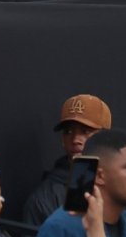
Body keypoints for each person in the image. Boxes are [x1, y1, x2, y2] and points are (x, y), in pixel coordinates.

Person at [22, 95, 113, 230]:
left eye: (85, 131)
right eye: (68, 131)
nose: (76, 139)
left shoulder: (121, 185)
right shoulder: (44, 198)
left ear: (107, 138)